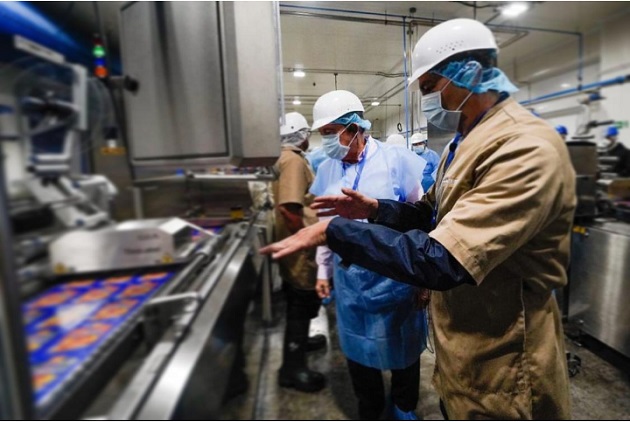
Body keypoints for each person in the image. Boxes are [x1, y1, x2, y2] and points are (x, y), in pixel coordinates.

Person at [261, 18, 576, 420]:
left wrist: (337, 231)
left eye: (429, 88)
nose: (426, 101)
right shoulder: (463, 144)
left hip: (506, 353)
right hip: (464, 338)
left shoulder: (523, 147)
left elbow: (442, 259)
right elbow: (428, 213)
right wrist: (374, 210)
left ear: (471, 74)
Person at [309, 90, 428, 420]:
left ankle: (404, 405)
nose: (328, 142)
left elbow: (420, 221)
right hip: (351, 279)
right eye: (323, 135)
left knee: (403, 347)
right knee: (359, 352)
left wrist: (423, 280)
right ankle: (371, 409)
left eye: (332, 134)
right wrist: (323, 271)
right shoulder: (327, 169)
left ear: (354, 127)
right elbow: (325, 226)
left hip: (396, 278)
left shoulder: (397, 161)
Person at [273, 112, 326, 393]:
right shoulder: (293, 160)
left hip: (291, 244)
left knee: (299, 301)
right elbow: (289, 208)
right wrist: (306, 240)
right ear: (301, 136)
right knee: (300, 304)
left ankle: (301, 343)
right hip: (299, 247)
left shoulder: (283, 157)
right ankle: (292, 369)